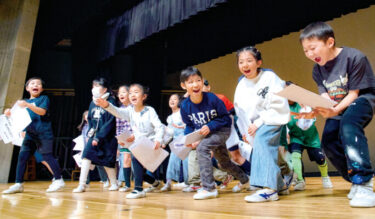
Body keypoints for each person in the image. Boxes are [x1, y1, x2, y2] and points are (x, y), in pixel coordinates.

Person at [300, 21, 375, 207]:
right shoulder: (317, 70)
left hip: (362, 100)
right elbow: (326, 99)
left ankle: (364, 182)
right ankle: (354, 182)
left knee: (348, 126)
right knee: (329, 141)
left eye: (313, 48)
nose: (310, 54)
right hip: (339, 106)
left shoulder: (355, 57)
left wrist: (334, 109)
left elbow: (353, 94)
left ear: (330, 42)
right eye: (305, 51)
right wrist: (316, 110)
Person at [179, 66, 249, 200]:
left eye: (198, 80)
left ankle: (209, 188)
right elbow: (189, 125)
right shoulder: (185, 106)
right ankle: (245, 179)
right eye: (190, 82)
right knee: (223, 163)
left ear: (202, 81)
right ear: (183, 85)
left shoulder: (212, 99)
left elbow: (225, 119)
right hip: (208, 134)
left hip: (222, 130)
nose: (195, 84)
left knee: (202, 148)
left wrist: (210, 126)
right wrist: (189, 139)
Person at [234, 46, 290, 202]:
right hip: (254, 125)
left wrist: (259, 122)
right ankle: (280, 185)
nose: (245, 65)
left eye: (249, 61)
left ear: (258, 62)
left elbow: (279, 103)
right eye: (241, 62)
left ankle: (270, 190)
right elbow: (241, 113)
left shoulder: (270, 77)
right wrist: (245, 132)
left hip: (272, 117)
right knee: (259, 146)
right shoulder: (241, 85)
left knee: (262, 140)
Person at [95, 83, 164, 199]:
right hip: (140, 145)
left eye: (136, 92)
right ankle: (153, 183)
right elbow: (118, 112)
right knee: (137, 166)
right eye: (130, 92)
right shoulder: (130, 111)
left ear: (143, 97)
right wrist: (107, 105)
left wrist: (158, 139)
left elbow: (159, 127)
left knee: (135, 160)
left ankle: (139, 189)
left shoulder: (149, 110)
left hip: (152, 144)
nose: (132, 94)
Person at [3, 77, 65, 194]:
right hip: (30, 134)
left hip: (43, 133)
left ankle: (58, 179)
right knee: (22, 157)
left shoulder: (43, 99)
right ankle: (18, 183)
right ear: (27, 88)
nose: (35, 85)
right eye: (32, 83)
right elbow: (16, 117)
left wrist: (28, 105)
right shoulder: (22, 103)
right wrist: (8, 113)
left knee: (47, 156)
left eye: (38, 84)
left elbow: (42, 112)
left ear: (41, 89)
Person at [281, 82, 333, 191]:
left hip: (311, 137)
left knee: (320, 158)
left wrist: (304, 112)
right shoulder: (283, 107)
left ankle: (325, 177)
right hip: (296, 137)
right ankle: (300, 181)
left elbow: (307, 123)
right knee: (295, 156)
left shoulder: (304, 103)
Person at [73, 78, 119, 193]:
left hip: (107, 137)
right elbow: (90, 119)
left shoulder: (111, 102)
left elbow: (110, 122)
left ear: (104, 89)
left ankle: (114, 183)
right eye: (93, 86)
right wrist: (91, 134)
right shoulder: (92, 102)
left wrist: (99, 137)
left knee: (107, 161)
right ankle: (82, 184)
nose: (94, 89)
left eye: (97, 86)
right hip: (94, 136)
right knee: (86, 156)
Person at [203, 79, 251, 178]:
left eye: (202, 85)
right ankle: (244, 179)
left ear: (208, 87)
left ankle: (256, 178)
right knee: (222, 163)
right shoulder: (199, 105)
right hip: (213, 135)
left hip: (227, 132)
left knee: (236, 157)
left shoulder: (220, 98)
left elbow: (234, 114)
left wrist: (242, 132)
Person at [160, 94, 188, 192]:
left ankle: (189, 183)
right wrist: (164, 143)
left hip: (186, 141)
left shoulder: (183, 113)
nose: (172, 101)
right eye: (170, 99)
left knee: (186, 163)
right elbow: (169, 133)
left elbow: (188, 126)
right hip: (176, 142)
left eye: (175, 99)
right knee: (172, 162)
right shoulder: (169, 118)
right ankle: (168, 183)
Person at [115, 85, 133, 192]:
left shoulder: (135, 107)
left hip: (136, 138)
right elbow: (119, 126)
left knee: (140, 163)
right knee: (125, 160)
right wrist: (119, 138)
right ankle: (127, 185)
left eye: (123, 92)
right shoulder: (119, 110)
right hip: (125, 139)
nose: (121, 94)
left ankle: (154, 182)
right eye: (119, 93)